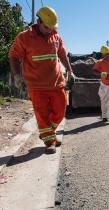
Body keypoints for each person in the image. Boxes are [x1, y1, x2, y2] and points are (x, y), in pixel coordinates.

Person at [9, 6, 73, 154]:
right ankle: (49, 140)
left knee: (60, 111)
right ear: (38, 21)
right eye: (46, 27)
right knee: (42, 114)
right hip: (36, 86)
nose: (50, 30)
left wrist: (70, 71)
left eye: (52, 27)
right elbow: (13, 56)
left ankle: (48, 132)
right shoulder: (24, 37)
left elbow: (63, 55)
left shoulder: (56, 36)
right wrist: (17, 76)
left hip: (57, 83)